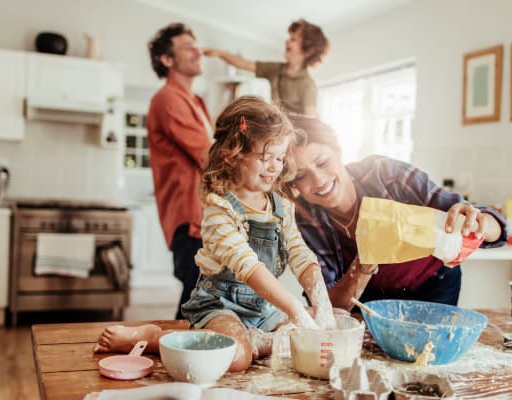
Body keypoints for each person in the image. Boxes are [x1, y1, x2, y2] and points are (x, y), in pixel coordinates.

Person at [94, 96, 335, 373]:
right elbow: (247, 266)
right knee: (236, 358)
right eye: (265, 158)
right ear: (233, 154)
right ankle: (153, 337)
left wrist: (321, 301)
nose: (274, 167)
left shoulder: (282, 208)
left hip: (263, 311)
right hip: (221, 307)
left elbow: (300, 253)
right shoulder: (219, 211)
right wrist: (295, 308)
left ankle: (259, 340)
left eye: (280, 158)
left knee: (333, 319)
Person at [284, 114, 508, 311]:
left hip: (433, 286)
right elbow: (329, 305)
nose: (319, 180)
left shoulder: (387, 176)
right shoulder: (306, 222)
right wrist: (365, 260)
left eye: (322, 162)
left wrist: (480, 223)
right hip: (367, 300)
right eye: (301, 176)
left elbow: (496, 230)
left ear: (338, 150)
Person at [146, 23, 213, 319]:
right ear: (167, 60)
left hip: (202, 215)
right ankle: (175, 360)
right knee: (197, 302)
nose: (197, 51)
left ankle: (182, 359)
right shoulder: (168, 99)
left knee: (199, 299)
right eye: (188, 46)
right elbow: (208, 155)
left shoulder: (195, 101)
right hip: (190, 218)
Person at [203, 19, 329, 116]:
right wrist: (220, 53)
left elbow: (310, 120)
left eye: (293, 39)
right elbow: (244, 63)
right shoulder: (275, 69)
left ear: (308, 51)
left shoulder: (307, 85)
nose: (287, 41)